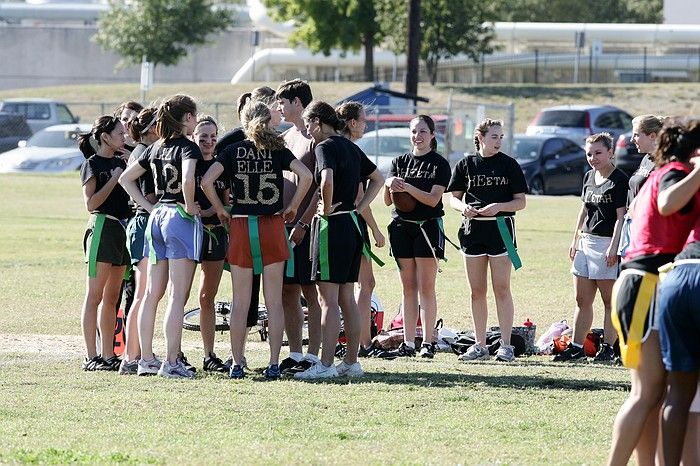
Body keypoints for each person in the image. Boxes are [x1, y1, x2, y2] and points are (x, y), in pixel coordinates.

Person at [608, 119, 700, 466]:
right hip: (646, 283)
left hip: (640, 281)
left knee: (651, 394)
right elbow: (666, 204)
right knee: (646, 394)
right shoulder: (675, 172)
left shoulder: (659, 171)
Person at [202, 101, 313, 379]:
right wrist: (293, 207)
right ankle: (274, 363)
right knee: (273, 300)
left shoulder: (231, 150)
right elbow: (307, 175)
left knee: (241, 302)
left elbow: (206, 181)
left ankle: (237, 363)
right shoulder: (277, 150)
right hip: (272, 226)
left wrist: (218, 208)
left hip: (240, 225)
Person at [294, 101, 383, 380]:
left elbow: (327, 178)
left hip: (331, 226)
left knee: (328, 299)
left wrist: (328, 205)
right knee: (347, 296)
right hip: (353, 226)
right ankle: (352, 362)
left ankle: (326, 364)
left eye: (309, 124)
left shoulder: (324, 147)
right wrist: (358, 207)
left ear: (319, 122)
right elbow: (378, 178)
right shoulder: (352, 148)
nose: (308, 130)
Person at [119, 94, 202, 379]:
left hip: (156, 218)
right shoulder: (188, 147)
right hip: (180, 218)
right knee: (177, 296)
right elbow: (189, 178)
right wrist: (191, 206)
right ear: (187, 118)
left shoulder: (154, 147)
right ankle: (172, 362)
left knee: (152, 294)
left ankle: (145, 360)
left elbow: (125, 179)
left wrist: (149, 206)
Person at [447, 118, 527, 363]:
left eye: (501, 137)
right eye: (494, 136)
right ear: (480, 137)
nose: (499, 141)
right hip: (473, 231)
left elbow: (520, 202)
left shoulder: (509, 165)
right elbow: (453, 199)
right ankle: (479, 345)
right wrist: (464, 208)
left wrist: (499, 207)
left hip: (501, 228)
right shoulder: (466, 164)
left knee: (501, 288)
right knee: (476, 291)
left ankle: (506, 346)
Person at [554, 133, 628, 362]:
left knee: (609, 301)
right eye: (589, 153)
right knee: (581, 300)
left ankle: (607, 348)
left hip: (607, 244)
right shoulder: (588, 176)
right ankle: (576, 347)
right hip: (586, 242)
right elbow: (584, 209)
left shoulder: (619, 179)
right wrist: (574, 239)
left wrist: (614, 247)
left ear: (610, 152)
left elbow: (621, 217)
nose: (593, 158)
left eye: (598, 153)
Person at [383, 115, 451, 359]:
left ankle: (428, 342)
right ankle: (409, 342)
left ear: (432, 135)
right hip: (401, 227)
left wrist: (408, 187)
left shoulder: (439, 164)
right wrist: (389, 183)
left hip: (427, 226)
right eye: (413, 131)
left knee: (426, 286)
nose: (417, 136)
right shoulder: (399, 161)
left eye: (423, 131)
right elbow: (388, 200)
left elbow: (433, 199)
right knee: (408, 287)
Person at [275, 79, 325, 375]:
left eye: (283, 102)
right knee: (287, 289)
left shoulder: (315, 138)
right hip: (283, 224)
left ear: (298, 103)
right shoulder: (287, 136)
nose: (279, 107)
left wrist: (304, 222)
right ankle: (294, 352)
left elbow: (319, 185)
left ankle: (313, 355)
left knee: (311, 289)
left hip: (305, 225)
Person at [77, 116, 130, 371]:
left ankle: (108, 355)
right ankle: (91, 356)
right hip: (102, 227)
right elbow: (91, 204)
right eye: (120, 133)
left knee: (112, 298)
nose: (124, 137)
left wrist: (127, 168)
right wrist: (115, 177)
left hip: (121, 230)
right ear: (105, 137)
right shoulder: (92, 164)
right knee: (94, 296)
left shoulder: (123, 160)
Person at [335, 101, 386, 357]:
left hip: (341, 223)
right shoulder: (350, 152)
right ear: (352, 123)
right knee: (361, 285)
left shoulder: (338, 148)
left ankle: (357, 340)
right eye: (363, 120)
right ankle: (363, 342)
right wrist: (376, 230)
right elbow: (359, 199)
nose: (366, 124)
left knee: (351, 285)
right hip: (352, 225)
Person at [118, 106, 158, 375]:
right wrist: (151, 207)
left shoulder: (142, 150)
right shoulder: (144, 152)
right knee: (143, 294)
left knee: (144, 294)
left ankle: (135, 354)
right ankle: (134, 356)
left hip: (141, 224)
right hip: (143, 224)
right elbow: (129, 182)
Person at [193, 115, 230, 373]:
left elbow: (227, 203)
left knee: (207, 296)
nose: (208, 141)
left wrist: (212, 213)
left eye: (212, 136)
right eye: (202, 136)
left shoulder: (221, 166)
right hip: (187, 233)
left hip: (215, 234)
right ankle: (175, 353)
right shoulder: (188, 165)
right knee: (178, 294)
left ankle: (209, 354)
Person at [617, 115, 665, 258]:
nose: (632, 140)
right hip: (632, 224)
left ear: (652, 136)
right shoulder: (646, 158)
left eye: (636, 135)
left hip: (646, 229)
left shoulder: (663, 162)